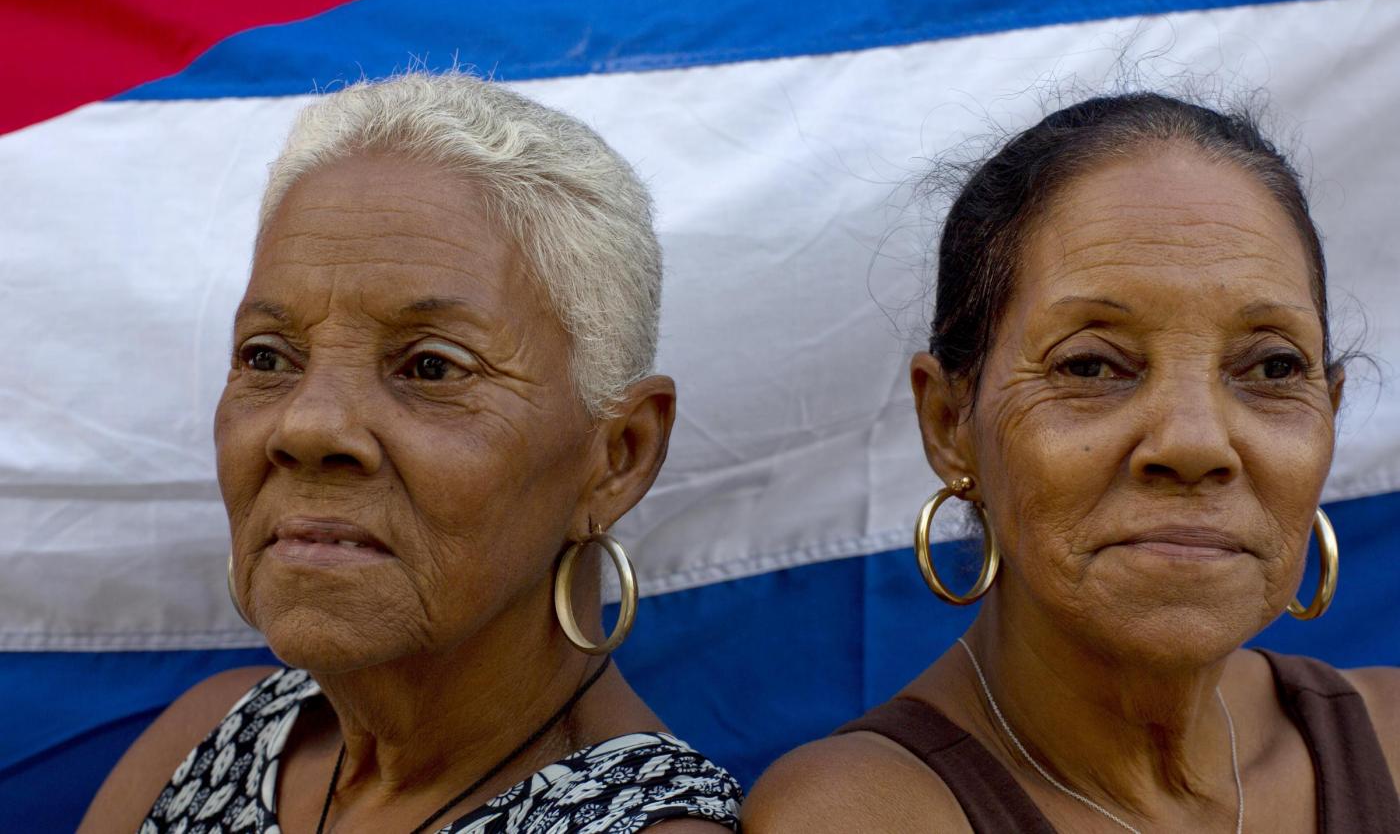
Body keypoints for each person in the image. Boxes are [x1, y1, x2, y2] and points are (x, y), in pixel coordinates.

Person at [80, 73, 742, 833]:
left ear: (619, 455)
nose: (308, 427)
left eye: (431, 366)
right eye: (267, 357)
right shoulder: (206, 737)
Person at [742, 93, 1400, 832]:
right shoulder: (861, 814)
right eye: (1090, 366)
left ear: (1331, 413)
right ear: (950, 422)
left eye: (1274, 367)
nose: (1195, 444)